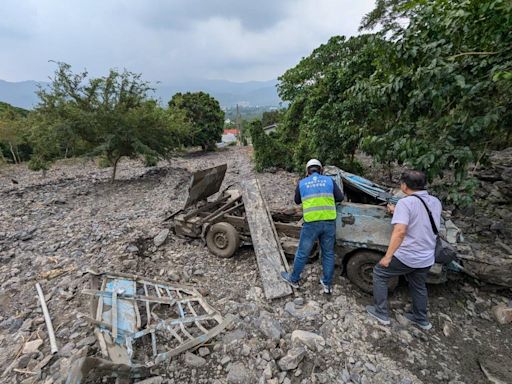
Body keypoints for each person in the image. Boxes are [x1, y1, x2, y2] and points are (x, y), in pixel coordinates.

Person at [366, 170, 441, 330]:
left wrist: (387, 256)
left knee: (379, 273)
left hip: (408, 255)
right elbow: (420, 217)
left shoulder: (405, 203)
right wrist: (396, 211)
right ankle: (421, 319)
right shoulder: (435, 201)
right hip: (427, 255)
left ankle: (381, 313)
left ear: (404, 186)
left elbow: (400, 232)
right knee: (418, 285)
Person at [281, 159, 344, 294]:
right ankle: (327, 284)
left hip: (311, 224)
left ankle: (294, 279)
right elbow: (340, 197)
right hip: (329, 223)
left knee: (303, 252)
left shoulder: (302, 183)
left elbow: (297, 201)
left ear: (307, 171)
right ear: (321, 170)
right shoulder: (329, 181)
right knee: (328, 253)